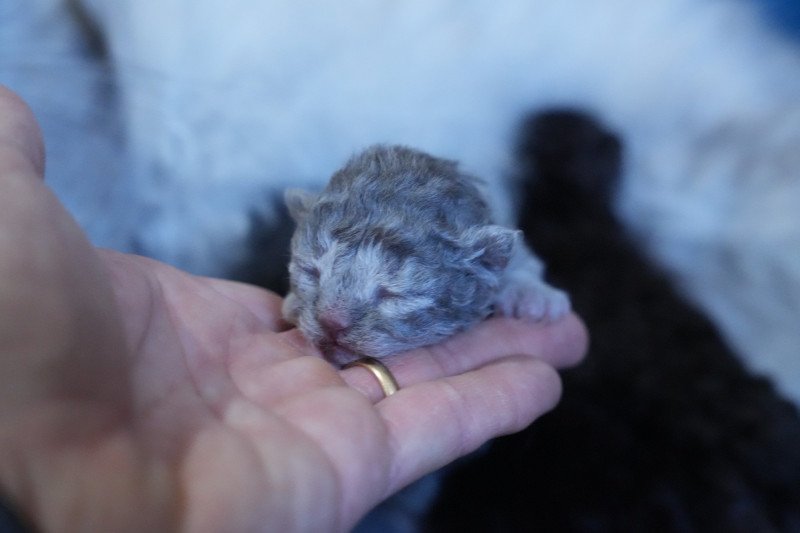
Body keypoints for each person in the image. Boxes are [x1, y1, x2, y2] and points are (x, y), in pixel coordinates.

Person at [0, 85, 587, 532]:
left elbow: (512, 263)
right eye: (312, 273)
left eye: (390, 294)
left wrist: (524, 284)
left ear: (484, 265)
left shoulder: (487, 256)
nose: (331, 317)